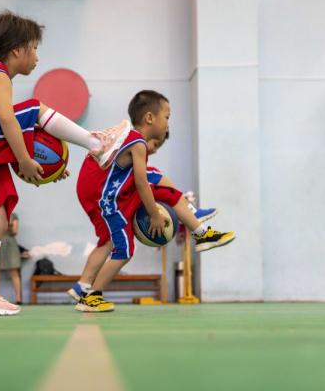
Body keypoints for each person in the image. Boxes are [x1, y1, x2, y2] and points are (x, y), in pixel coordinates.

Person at [0, 11, 131, 316]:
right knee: (33, 109)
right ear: (17, 49)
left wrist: (42, 165)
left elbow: (7, 128)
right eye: (34, 48)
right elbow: (7, 120)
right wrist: (24, 159)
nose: (37, 58)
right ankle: (98, 145)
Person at [71, 90, 235, 312]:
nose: (168, 123)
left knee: (164, 195)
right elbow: (140, 182)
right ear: (150, 118)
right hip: (108, 200)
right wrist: (155, 214)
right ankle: (91, 297)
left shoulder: (128, 137)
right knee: (125, 248)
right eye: (167, 116)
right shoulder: (136, 142)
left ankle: (201, 231)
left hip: (106, 195)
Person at [0, 213, 29, 304]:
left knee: (14, 272)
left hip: (10, 243)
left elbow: (15, 232)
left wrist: (8, 227)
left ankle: (18, 298)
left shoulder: (13, 215)